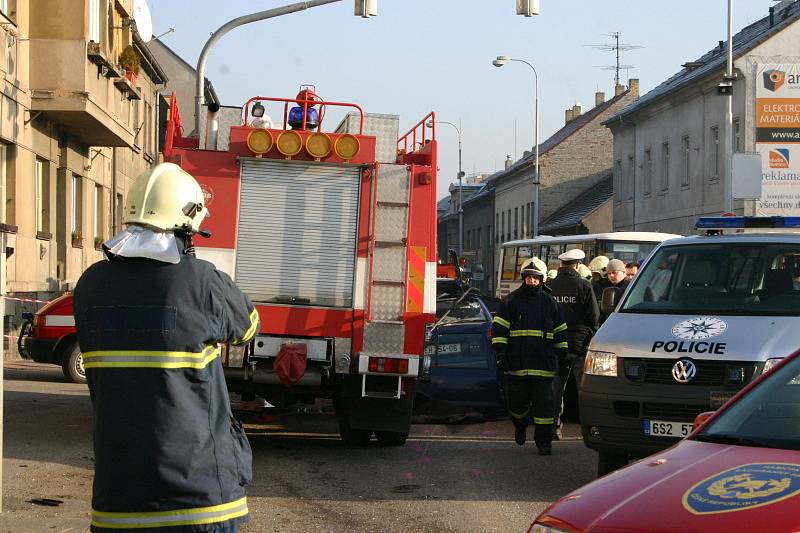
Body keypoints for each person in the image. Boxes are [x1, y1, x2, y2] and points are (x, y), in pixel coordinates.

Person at [73, 163, 260, 533]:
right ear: (186, 228)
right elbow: (247, 327)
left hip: (118, 502)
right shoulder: (201, 281)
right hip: (200, 502)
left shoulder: (90, 285)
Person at [491, 259, 568, 456]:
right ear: (523, 278)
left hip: (543, 364)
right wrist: (500, 353)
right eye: (529, 278)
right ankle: (520, 424)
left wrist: (563, 355)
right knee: (516, 404)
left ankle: (543, 442)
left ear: (542, 280)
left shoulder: (551, 303)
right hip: (516, 365)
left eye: (536, 278)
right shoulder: (510, 301)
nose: (532, 281)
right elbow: (499, 329)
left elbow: (560, 332)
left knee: (545, 408)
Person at [547, 249, 600, 439]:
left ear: (561, 265)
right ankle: (589, 430)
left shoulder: (549, 286)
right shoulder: (584, 286)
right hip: (579, 345)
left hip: (556, 345)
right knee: (583, 389)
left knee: (556, 388)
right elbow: (594, 317)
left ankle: (554, 428)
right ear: (577, 265)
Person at [596, 258, 630, 324]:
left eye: (614, 272)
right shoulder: (605, 286)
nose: (611, 275)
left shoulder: (629, 287)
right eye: (609, 273)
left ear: (623, 272)